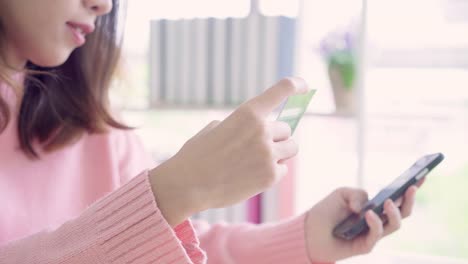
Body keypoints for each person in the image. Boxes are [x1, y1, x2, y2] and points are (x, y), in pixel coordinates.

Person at [0, 0, 422, 263]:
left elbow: (167, 246)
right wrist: (172, 192)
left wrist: (305, 238)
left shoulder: (95, 128)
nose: (105, 5)